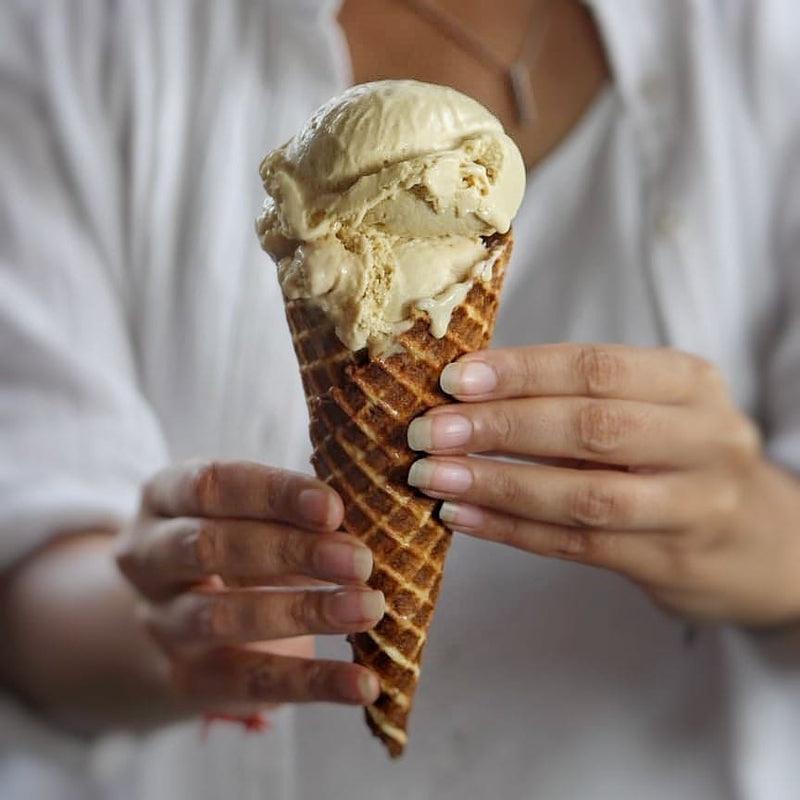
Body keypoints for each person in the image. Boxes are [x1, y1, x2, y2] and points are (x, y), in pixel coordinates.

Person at [1, 0, 799, 798]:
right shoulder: (75, 31)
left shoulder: (764, 37)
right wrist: (152, 632)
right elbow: (28, 564)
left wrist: (761, 534)